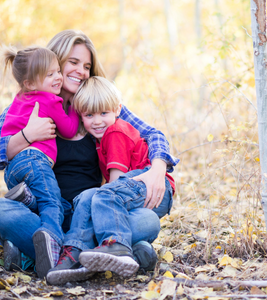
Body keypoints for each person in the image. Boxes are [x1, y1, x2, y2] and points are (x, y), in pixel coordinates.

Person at [0, 30, 179, 279]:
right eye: (72, 62)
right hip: (46, 214)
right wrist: (26, 136)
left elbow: (153, 134)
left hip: (91, 213)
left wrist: (158, 168)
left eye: (86, 66)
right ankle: (106, 254)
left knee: (147, 220)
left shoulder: (95, 108)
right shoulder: (29, 107)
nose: (80, 71)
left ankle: (41, 256)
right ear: (55, 62)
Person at [46, 77, 174, 284]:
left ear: (117, 109)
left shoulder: (116, 132)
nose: (97, 121)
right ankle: (74, 253)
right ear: (80, 116)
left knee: (102, 194)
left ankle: (117, 245)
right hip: (130, 194)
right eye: (89, 115)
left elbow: (114, 185)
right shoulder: (102, 136)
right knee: (87, 196)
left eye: (103, 113)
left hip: (153, 188)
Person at [0, 46, 80, 278]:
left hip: (13, 168)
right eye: (50, 75)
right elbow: (69, 128)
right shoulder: (51, 101)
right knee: (52, 203)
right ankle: (51, 241)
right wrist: (73, 105)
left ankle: (28, 200)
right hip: (36, 160)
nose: (58, 78)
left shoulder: (19, 99)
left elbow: (6, 137)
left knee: (51, 203)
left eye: (57, 72)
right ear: (30, 83)